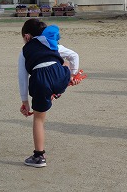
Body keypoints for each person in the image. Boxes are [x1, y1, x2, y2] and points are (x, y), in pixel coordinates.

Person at [18, 18, 80, 167]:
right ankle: (61, 88)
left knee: (39, 119)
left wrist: (25, 101)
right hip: (59, 77)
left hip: (40, 83)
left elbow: (22, 77)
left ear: (27, 37)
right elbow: (74, 55)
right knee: (62, 63)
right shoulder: (53, 44)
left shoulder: (25, 51)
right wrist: (73, 74)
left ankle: (39, 156)